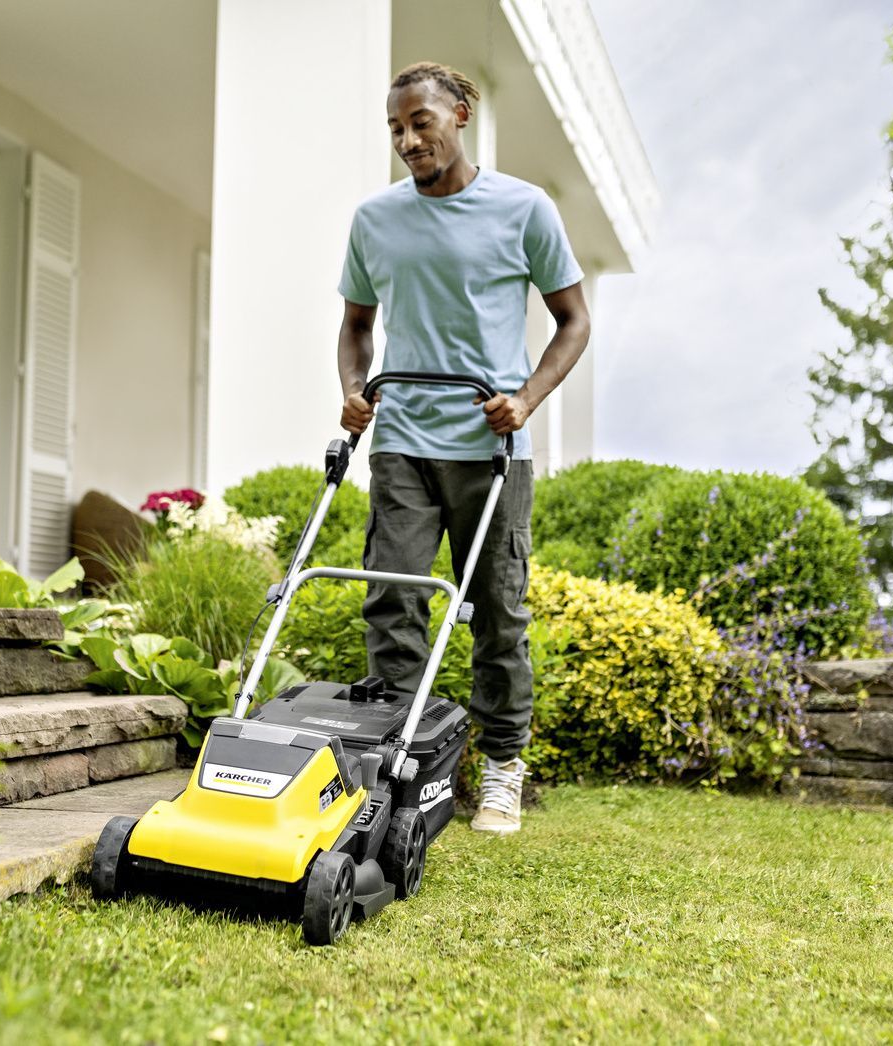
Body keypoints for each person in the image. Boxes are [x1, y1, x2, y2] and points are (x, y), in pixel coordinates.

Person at [337, 62, 590, 834]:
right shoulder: (375, 219)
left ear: (460, 115)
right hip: (403, 441)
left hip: (492, 448)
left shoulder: (524, 208)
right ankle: (400, 764)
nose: (408, 139)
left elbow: (574, 320)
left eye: (421, 122)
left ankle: (504, 767)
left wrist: (528, 398)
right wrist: (354, 388)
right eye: (396, 128)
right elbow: (356, 326)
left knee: (497, 613)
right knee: (393, 602)